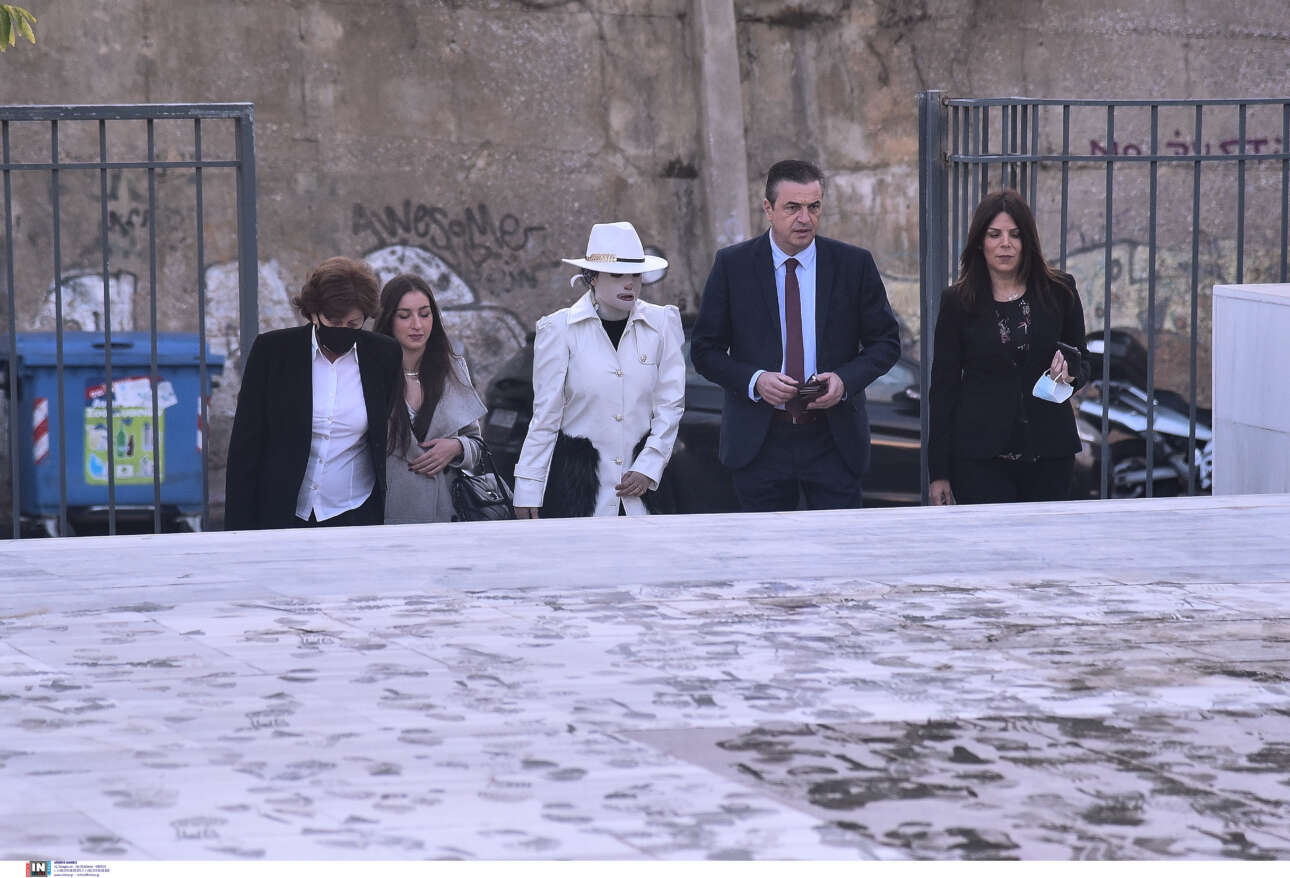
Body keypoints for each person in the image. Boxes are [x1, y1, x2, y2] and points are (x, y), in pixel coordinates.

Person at [689, 159, 902, 511]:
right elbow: (704, 350)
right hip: (760, 441)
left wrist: (844, 381)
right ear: (768, 209)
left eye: (813, 207)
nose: (805, 218)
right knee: (766, 545)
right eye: (792, 207)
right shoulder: (733, 266)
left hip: (833, 439)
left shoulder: (853, 264)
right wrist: (756, 380)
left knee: (839, 542)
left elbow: (886, 343)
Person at [927, 188, 1090, 505]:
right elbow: (943, 389)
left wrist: (1070, 375)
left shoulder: (1060, 291)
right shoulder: (957, 301)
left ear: (1028, 241)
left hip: (1050, 454)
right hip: (979, 460)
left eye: (1015, 234)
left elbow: (1084, 362)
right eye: (995, 234)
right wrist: (939, 472)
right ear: (979, 241)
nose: (1006, 243)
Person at [512, 221, 684, 518]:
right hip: (579, 494)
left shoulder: (662, 323)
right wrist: (528, 487)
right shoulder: (559, 328)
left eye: (636, 275)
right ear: (592, 277)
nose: (629, 284)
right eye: (617, 274)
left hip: (646, 496)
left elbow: (671, 406)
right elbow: (545, 417)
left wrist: (649, 466)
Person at [224, 256, 402, 530]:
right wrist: (238, 530)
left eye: (353, 324)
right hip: (282, 515)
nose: (342, 330)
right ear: (314, 313)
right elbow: (245, 445)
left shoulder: (384, 355)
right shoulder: (273, 352)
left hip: (355, 514)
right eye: (333, 321)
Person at [374, 273, 487, 524]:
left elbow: (477, 443)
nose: (417, 325)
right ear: (389, 319)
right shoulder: (369, 371)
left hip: (445, 514)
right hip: (386, 515)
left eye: (425, 314)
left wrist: (456, 447)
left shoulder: (453, 370)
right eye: (405, 316)